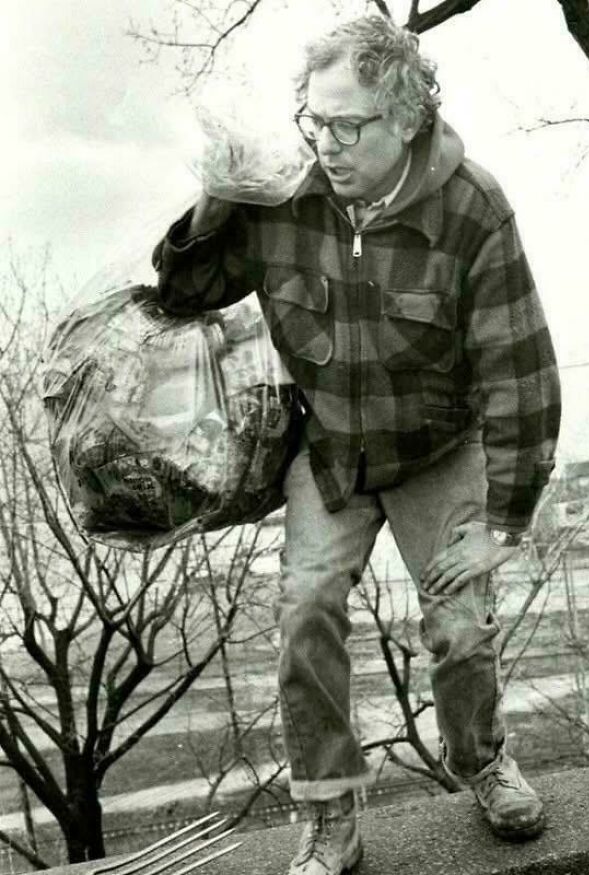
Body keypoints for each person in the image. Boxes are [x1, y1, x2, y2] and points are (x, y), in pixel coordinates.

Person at [153, 14, 561, 875]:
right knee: (304, 608)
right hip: (333, 449)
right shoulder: (288, 195)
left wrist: (503, 521)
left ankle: (483, 762)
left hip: (438, 449)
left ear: (406, 117)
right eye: (315, 121)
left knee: (459, 623)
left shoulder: (472, 210)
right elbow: (186, 291)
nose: (327, 145)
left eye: (348, 126)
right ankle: (329, 813)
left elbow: (519, 374)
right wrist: (220, 195)